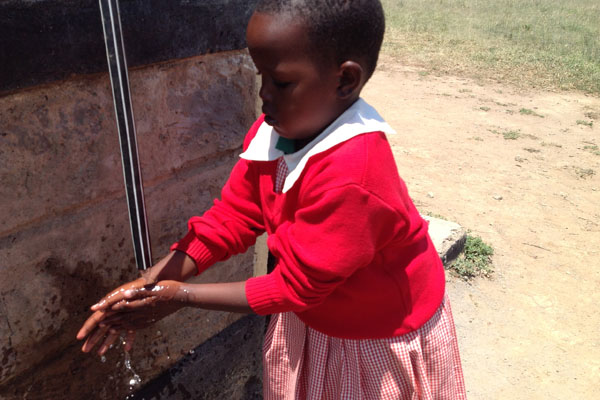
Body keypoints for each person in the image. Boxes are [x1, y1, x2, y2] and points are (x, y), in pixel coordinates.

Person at [77, 0, 467, 398]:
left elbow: (296, 287)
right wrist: (150, 283)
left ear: (345, 80)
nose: (263, 95)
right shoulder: (275, 133)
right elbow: (233, 218)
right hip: (319, 319)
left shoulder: (354, 174)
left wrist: (181, 296)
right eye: (259, 75)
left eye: (280, 82)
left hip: (376, 335)